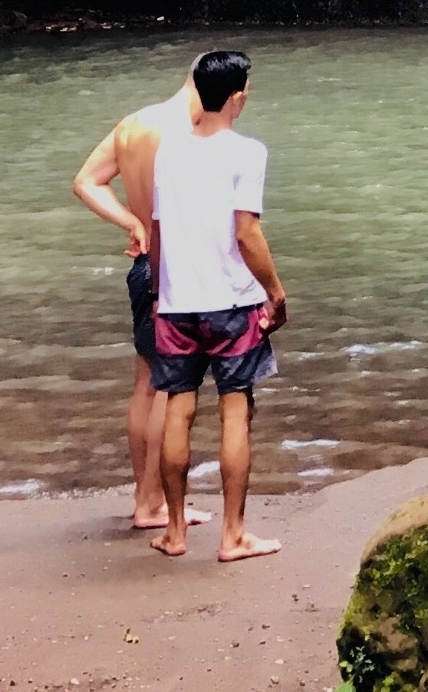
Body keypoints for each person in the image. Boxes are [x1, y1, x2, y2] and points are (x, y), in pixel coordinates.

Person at [148, 49, 289, 563]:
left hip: (176, 302)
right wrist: (275, 290)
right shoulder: (247, 152)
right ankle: (232, 536)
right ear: (237, 96)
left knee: (178, 411)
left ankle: (177, 532)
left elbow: (158, 230)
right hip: (231, 304)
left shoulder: (168, 151)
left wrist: (161, 292)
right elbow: (247, 232)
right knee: (236, 414)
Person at [71, 62, 208, 532]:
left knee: (145, 382)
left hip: (141, 262)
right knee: (170, 387)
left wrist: (131, 222)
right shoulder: (187, 134)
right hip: (172, 269)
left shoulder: (134, 124)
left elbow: (86, 182)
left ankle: (144, 495)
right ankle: (152, 504)